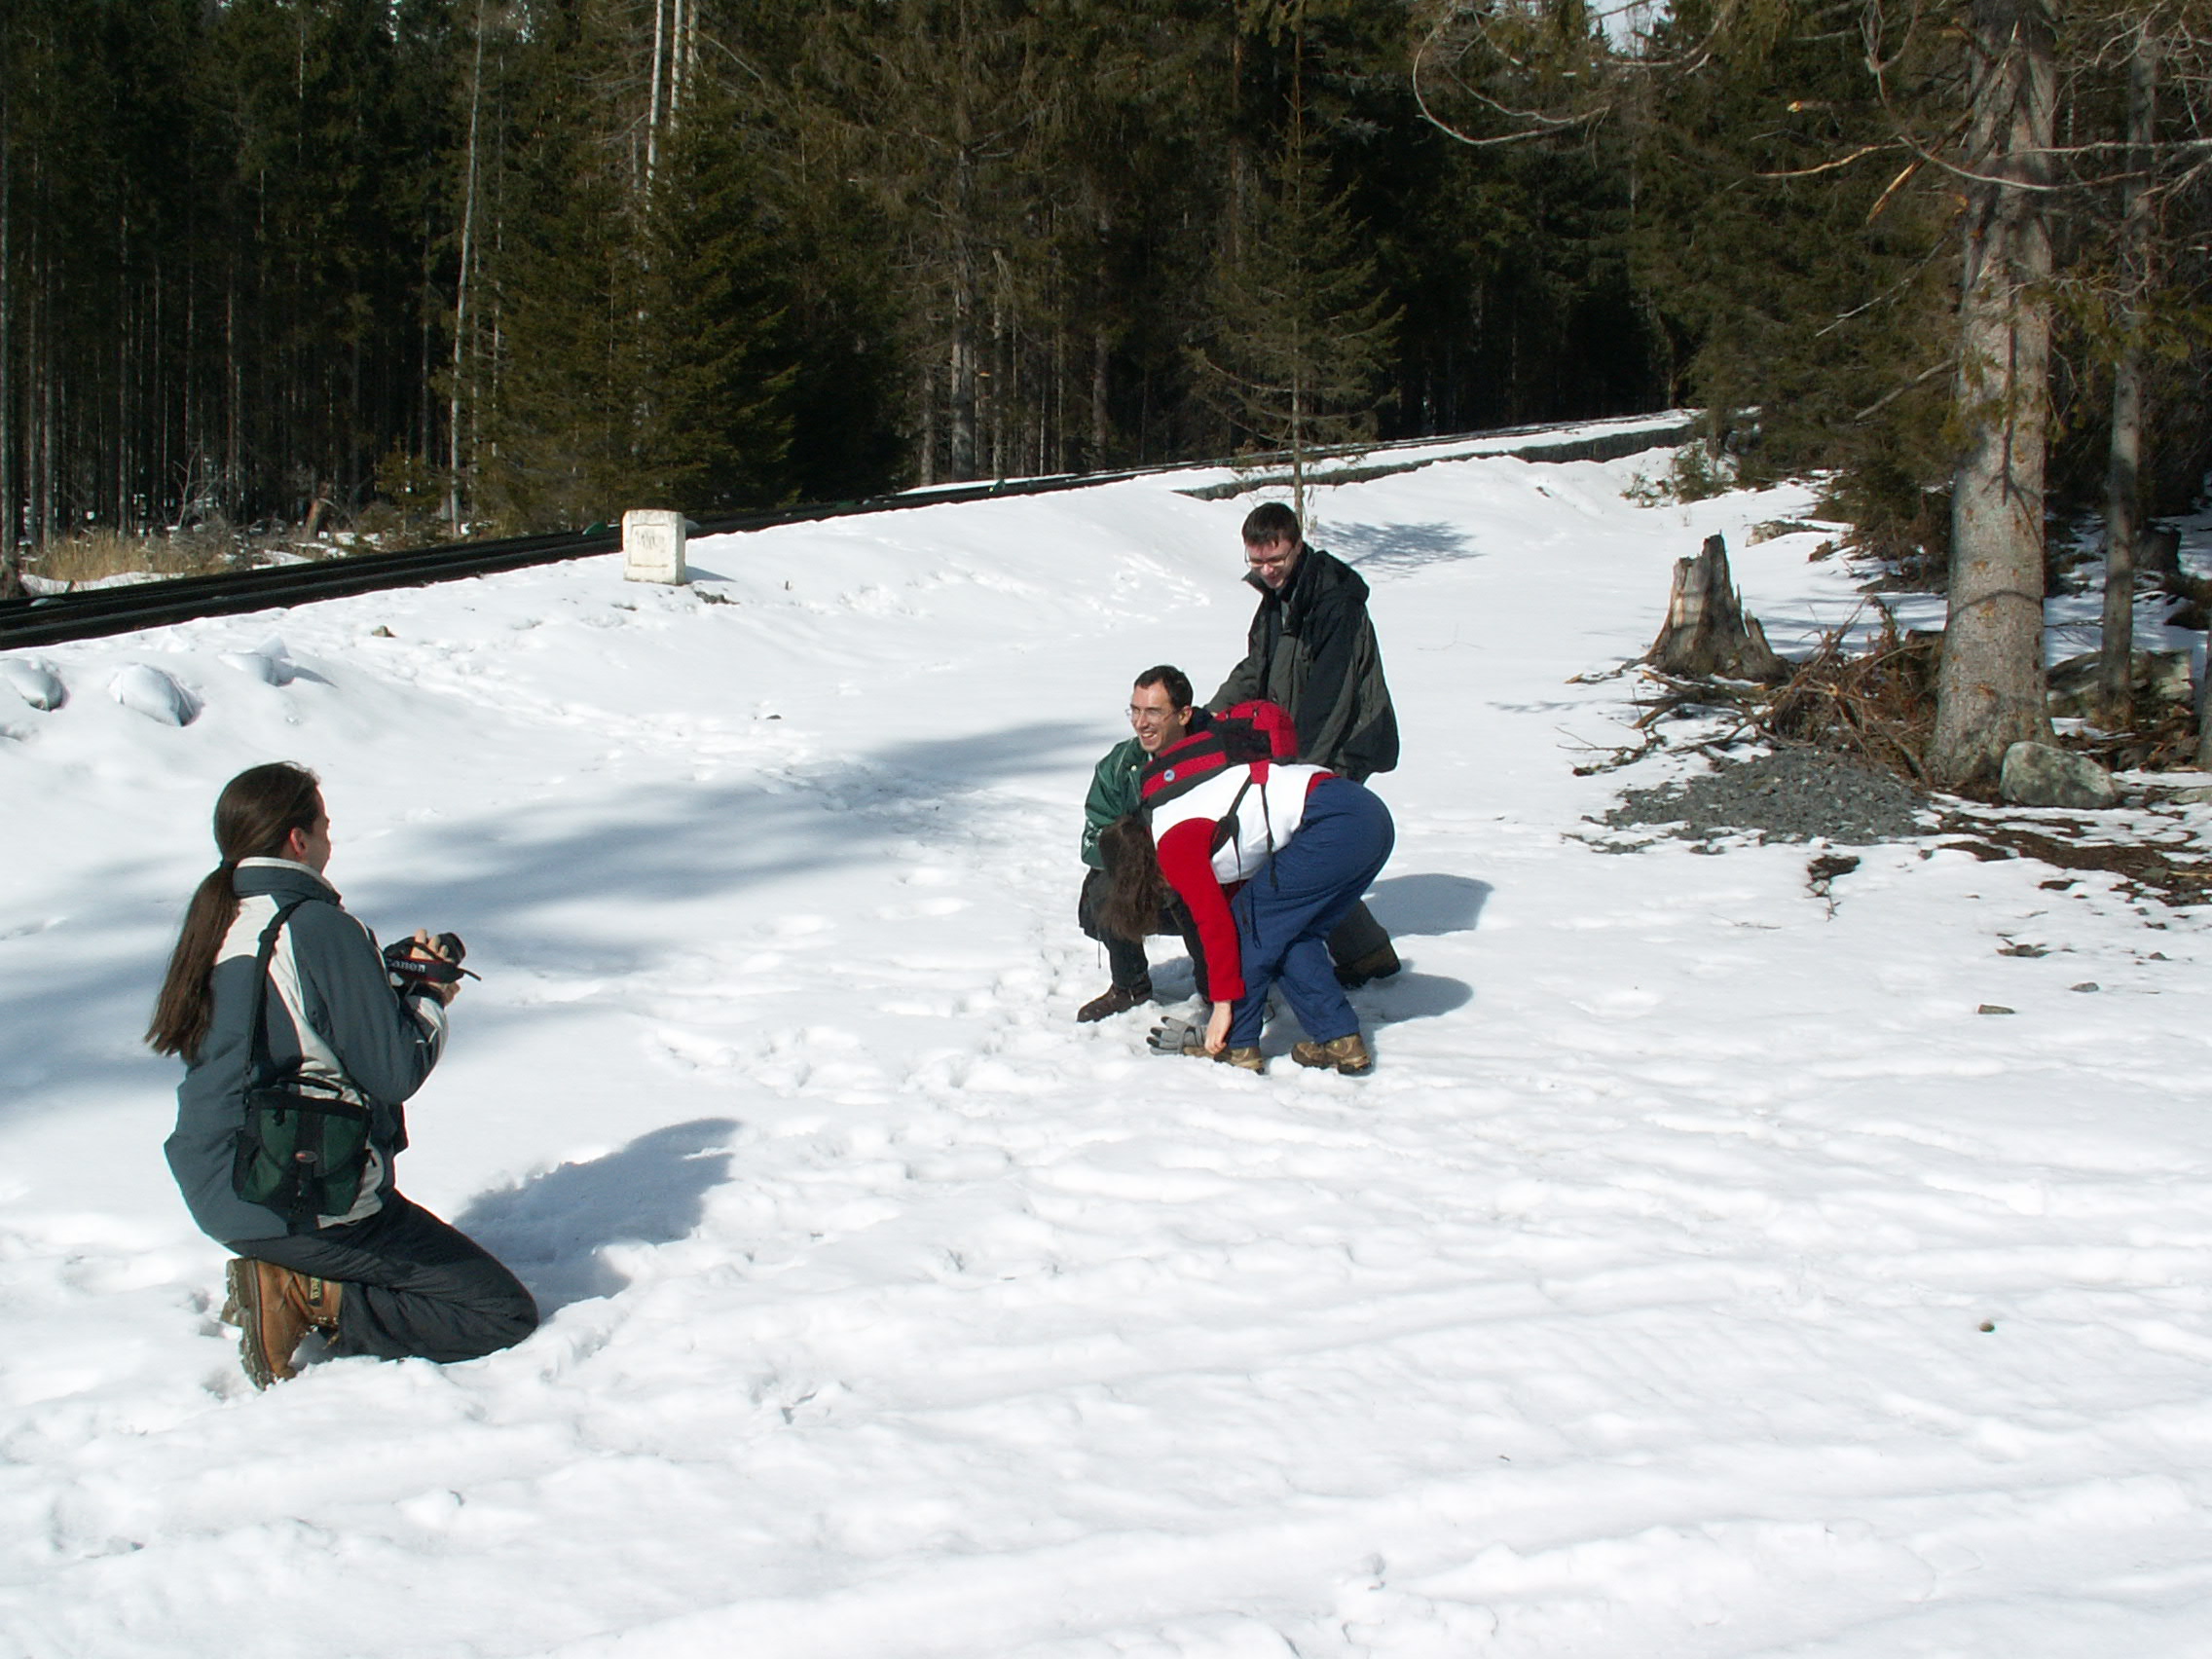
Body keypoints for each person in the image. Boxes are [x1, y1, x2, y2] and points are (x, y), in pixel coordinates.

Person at [149, 762, 536, 1388]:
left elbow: (285, 1030)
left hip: (225, 1184)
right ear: (298, 839)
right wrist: (428, 996)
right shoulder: (318, 926)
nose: (330, 838)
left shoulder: (219, 921)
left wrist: (380, 984)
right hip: (299, 1196)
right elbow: (395, 1071)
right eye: (325, 825)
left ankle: (292, 1276)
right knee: (499, 1312)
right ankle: (305, 1295)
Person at [1098, 730, 1395, 1075]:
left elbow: (1220, 929)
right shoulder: (1177, 821)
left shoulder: (1174, 845)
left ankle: (1239, 1046)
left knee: (1250, 926)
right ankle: (1340, 1041)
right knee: (1289, 934)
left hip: (1332, 819)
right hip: (1365, 815)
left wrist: (1223, 1008)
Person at [1207, 500, 1401, 985]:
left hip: (1345, 741)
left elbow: (1334, 694)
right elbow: (1256, 668)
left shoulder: (1333, 600)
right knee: (1303, 848)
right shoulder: (1278, 598)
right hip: (1295, 739)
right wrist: (1208, 719)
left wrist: (1303, 770)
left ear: (1298, 544)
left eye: (1276, 559)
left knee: (1305, 846)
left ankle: (1344, 954)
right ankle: (1367, 952)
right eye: (1257, 561)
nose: (1267, 570)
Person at [1076, 666, 1211, 1020]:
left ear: (1183, 714)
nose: (1141, 723)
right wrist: (1139, 864)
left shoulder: (1214, 757)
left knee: (1196, 898)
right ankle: (1129, 985)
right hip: (1147, 875)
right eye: (1135, 711)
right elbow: (1095, 835)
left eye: (1153, 712)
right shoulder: (1121, 765)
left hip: (1209, 874)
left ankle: (1219, 991)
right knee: (1102, 893)